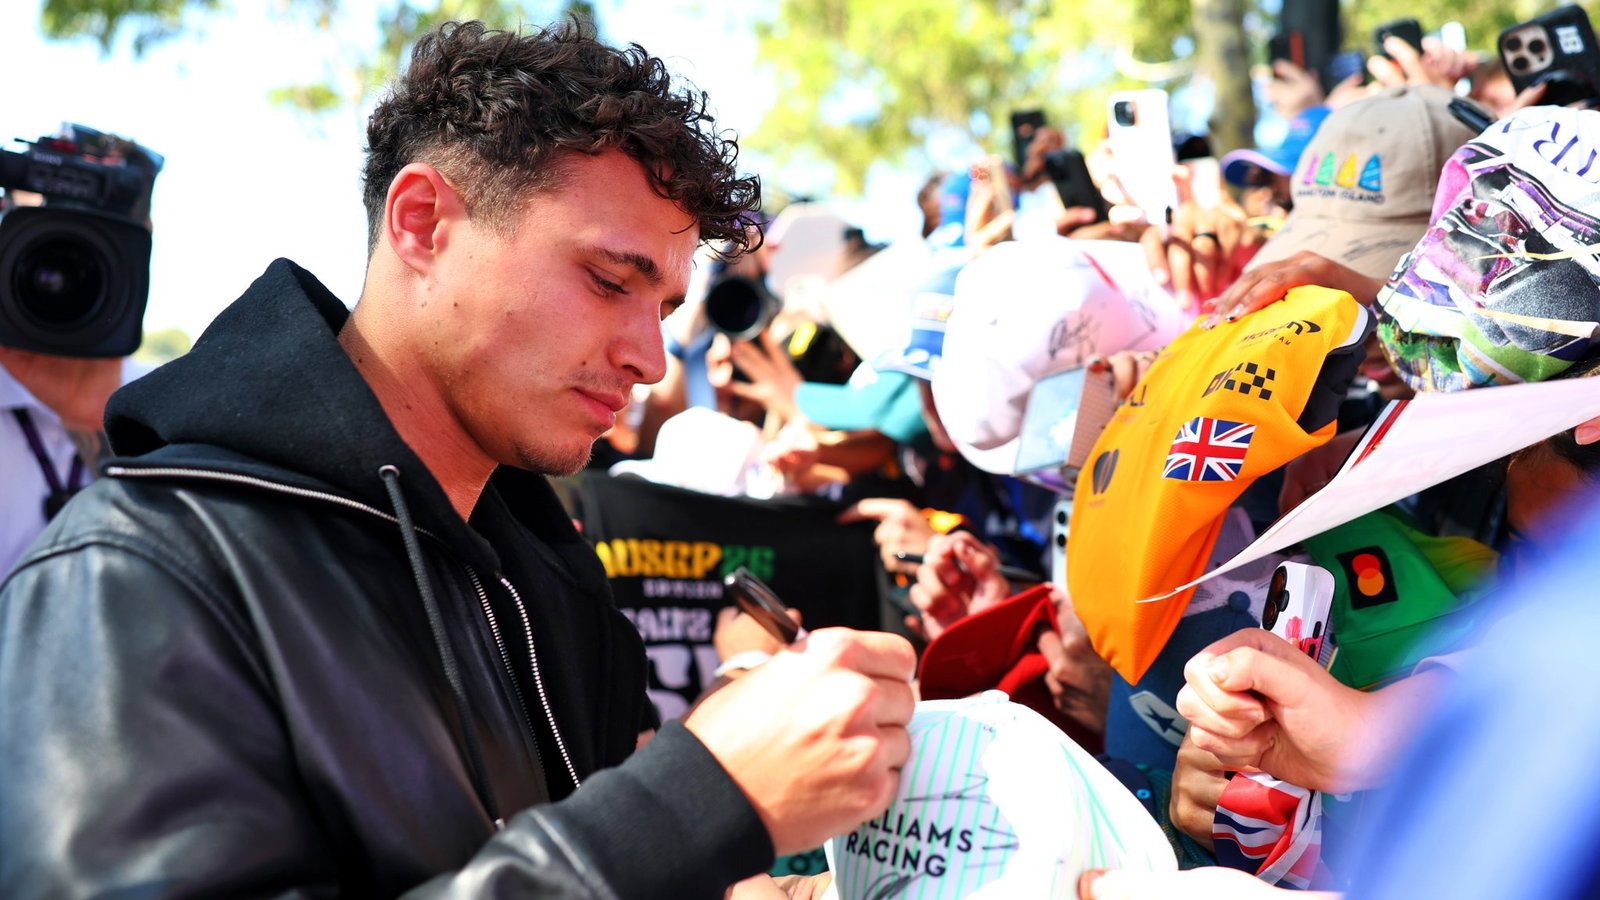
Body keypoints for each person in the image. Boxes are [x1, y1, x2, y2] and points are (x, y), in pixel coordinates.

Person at [0, 21, 916, 899]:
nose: (648, 355)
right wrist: (694, 804)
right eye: (608, 281)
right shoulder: (136, 571)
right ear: (423, 221)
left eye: (665, 309)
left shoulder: (547, 576)